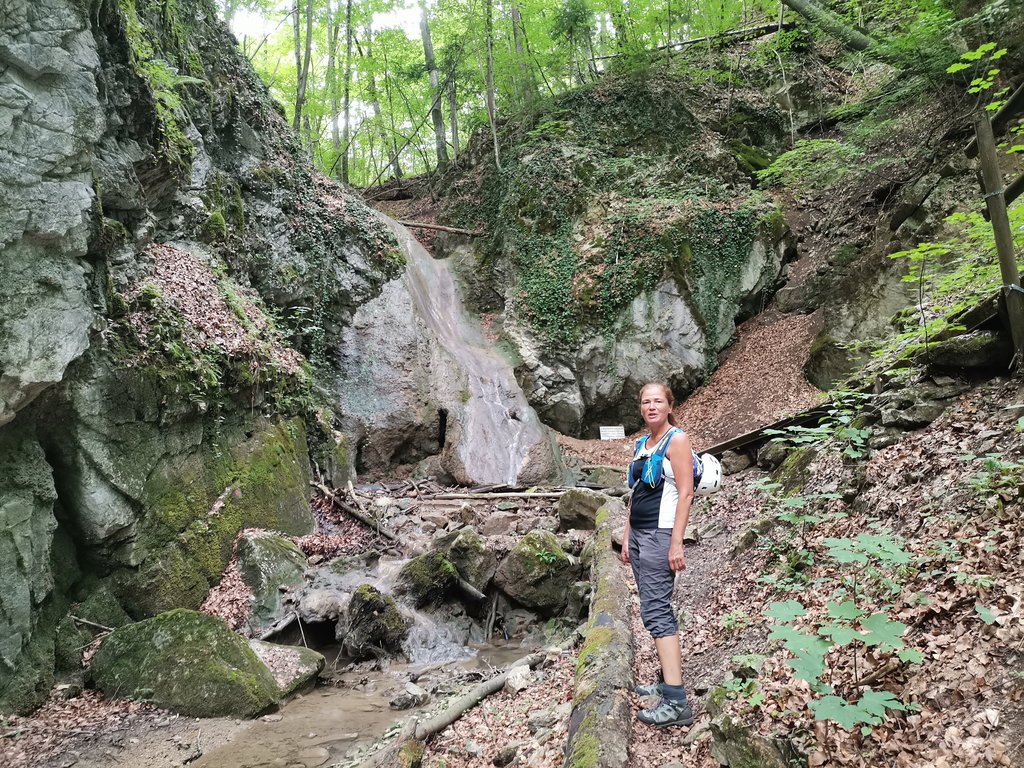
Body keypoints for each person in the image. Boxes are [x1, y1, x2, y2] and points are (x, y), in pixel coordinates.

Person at [621, 382, 697, 728]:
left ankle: (677, 702)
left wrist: (676, 542)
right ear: (641, 408)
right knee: (651, 607)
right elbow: (635, 494)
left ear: (669, 405)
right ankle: (667, 684)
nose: (651, 407)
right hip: (638, 535)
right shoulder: (642, 443)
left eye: (657, 401)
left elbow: (685, 493)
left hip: (660, 534)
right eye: (645, 402)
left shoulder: (677, 440)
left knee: (656, 609)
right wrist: (625, 537)